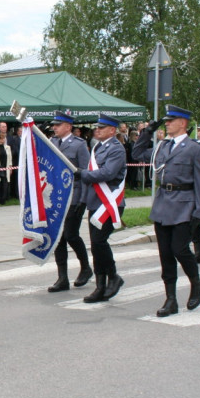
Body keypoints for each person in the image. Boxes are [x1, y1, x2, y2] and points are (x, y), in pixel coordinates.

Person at [132, 106, 200, 317]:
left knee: (180, 249)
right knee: (165, 254)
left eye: (171, 120)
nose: (166, 124)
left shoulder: (196, 148)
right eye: (165, 121)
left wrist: (199, 212)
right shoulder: (162, 147)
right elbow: (137, 153)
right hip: (163, 203)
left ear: (183, 123)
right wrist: (147, 132)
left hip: (185, 204)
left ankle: (196, 282)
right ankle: (171, 299)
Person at [77, 114, 127, 303]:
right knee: (96, 245)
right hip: (96, 202)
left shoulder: (117, 149)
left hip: (110, 202)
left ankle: (113, 276)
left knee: (99, 242)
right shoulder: (98, 147)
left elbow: (108, 173)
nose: (97, 130)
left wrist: (84, 174)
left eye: (102, 128)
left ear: (112, 130)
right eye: (97, 127)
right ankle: (101, 285)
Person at [45, 110, 93, 292]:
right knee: (58, 237)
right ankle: (62, 277)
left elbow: (86, 172)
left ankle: (86, 267)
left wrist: (83, 199)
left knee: (71, 234)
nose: (54, 128)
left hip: (75, 195)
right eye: (54, 125)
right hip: (57, 196)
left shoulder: (79, 145)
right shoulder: (52, 142)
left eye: (58, 125)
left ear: (68, 127)